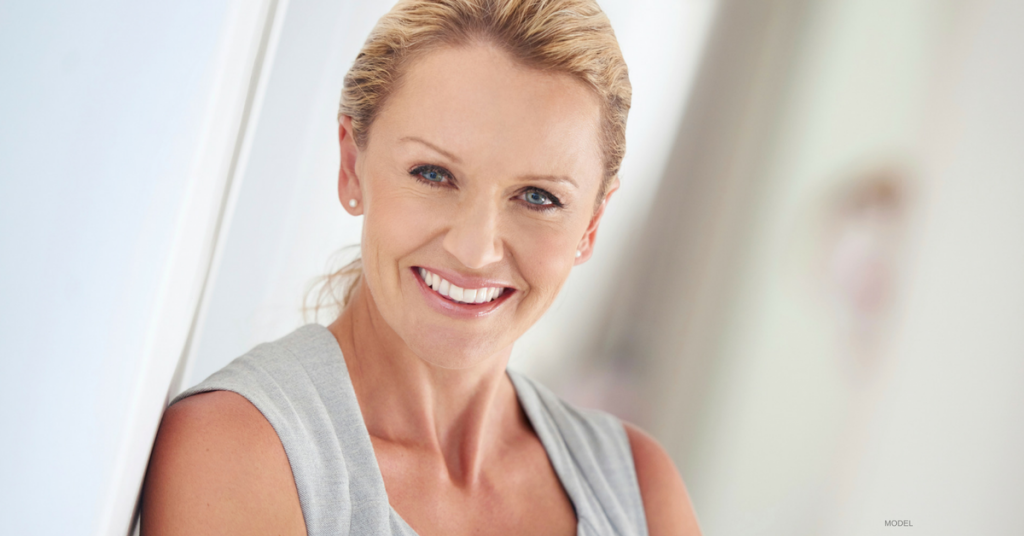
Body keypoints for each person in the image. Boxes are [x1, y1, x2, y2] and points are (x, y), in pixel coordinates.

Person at [141, 0, 701, 534]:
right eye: (433, 174)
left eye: (537, 197)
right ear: (351, 166)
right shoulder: (242, 449)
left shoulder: (639, 488)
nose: (475, 250)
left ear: (592, 226)